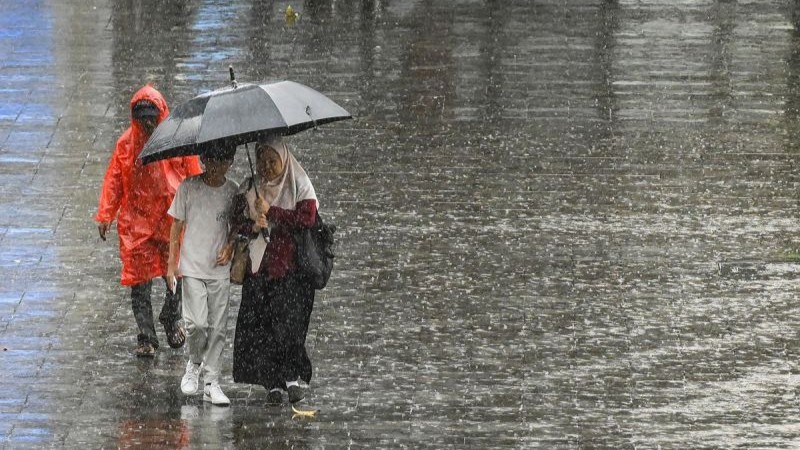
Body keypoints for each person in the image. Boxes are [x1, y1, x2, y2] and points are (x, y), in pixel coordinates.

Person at [95, 85, 202, 357]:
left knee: (176, 273)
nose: (147, 125)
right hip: (138, 222)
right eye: (142, 119)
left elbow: (192, 172)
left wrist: (197, 207)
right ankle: (146, 336)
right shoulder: (127, 144)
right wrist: (106, 213)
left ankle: (171, 317)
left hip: (169, 218)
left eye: (151, 119)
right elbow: (114, 179)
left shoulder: (175, 140)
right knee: (139, 282)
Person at [230, 135, 318, 406]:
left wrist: (274, 212)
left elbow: (307, 218)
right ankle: (272, 383)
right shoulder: (249, 188)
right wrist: (253, 225)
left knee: (290, 326)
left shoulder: (299, 182)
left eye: (272, 161)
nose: (266, 167)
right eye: (261, 161)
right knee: (262, 328)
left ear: (284, 159)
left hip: (292, 270)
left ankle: (291, 377)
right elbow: (235, 222)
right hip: (259, 270)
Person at [167, 145, 239, 406]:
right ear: (204, 159)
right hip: (192, 266)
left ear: (230, 162)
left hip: (219, 269)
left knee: (218, 327)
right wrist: (171, 263)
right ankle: (194, 361)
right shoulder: (188, 187)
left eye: (223, 160)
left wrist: (230, 246)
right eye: (212, 160)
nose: (217, 166)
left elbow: (237, 226)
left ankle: (211, 381)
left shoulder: (233, 191)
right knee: (196, 324)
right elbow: (176, 224)